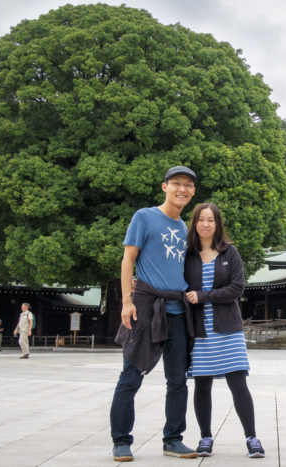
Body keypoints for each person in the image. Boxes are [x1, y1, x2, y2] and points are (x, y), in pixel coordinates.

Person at [109, 166, 198, 462]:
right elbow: (128, 259)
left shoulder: (184, 227)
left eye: (187, 185)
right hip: (147, 308)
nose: (181, 189)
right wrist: (127, 301)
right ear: (165, 187)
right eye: (176, 184)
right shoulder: (144, 217)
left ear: (193, 191)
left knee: (177, 380)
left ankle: (173, 439)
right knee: (131, 375)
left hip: (176, 310)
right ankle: (121, 440)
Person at [184, 202, 265, 458]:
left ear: (218, 224)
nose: (206, 224)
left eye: (211, 220)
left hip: (228, 329)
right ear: (194, 223)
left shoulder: (229, 252)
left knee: (238, 384)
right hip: (199, 331)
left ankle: (251, 437)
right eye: (201, 219)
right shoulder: (187, 254)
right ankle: (205, 437)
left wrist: (202, 296)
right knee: (202, 385)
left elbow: (237, 288)